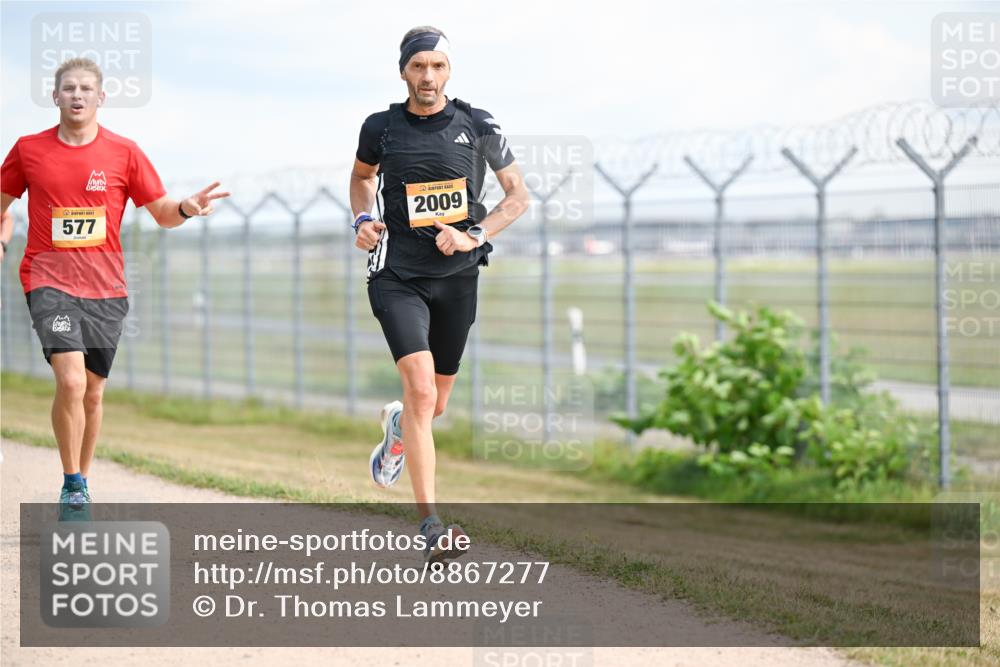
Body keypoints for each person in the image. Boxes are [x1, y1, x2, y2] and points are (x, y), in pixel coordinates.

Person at [0, 58, 229, 517]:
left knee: (92, 392)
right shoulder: (29, 150)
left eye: (86, 88)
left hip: (106, 289)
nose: (77, 95)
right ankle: (71, 483)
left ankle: (82, 482)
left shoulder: (124, 153)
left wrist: (186, 207)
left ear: (100, 97)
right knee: (70, 380)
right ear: (55, 96)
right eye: (69, 88)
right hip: (48, 282)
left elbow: (162, 213)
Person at [350, 26, 529, 565]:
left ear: (449, 71)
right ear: (403, 71)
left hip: (458, 277)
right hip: (397, 274)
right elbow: (362, 178)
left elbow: (517, 196)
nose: (428, 76)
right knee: (422, 392)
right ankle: (431, 526)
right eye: (418, 66)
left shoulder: (478, 124)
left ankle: (398, 428)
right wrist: (363, 218)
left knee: (435, 405)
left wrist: (473, 234)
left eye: (438, 66)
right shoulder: (380, 127)